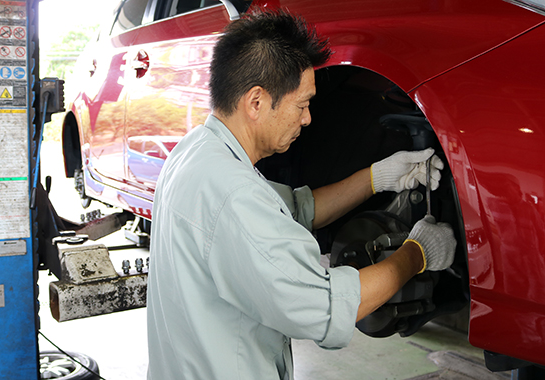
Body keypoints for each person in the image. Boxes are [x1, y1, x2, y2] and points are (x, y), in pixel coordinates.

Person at [146, 9, 456, 380]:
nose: (308, 118)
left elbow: (287, 213)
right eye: (302, 104)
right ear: (256, 102)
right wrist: (416, 254)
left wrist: (376, 178)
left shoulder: (195, 151)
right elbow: (323, 307)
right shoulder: (234, 194)